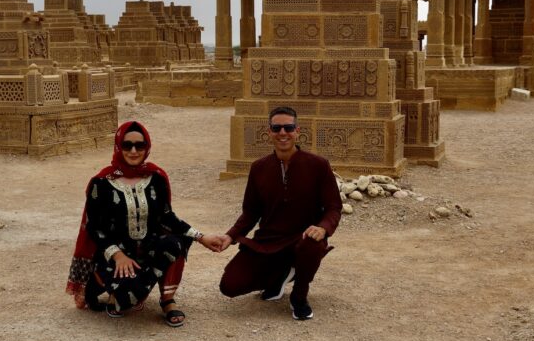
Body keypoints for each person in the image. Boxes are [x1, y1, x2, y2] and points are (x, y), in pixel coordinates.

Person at [66, 120, 224, 327]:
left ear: (147, 147)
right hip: (114, 253)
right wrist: (118, 255)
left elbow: (167, 218)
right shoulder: (102, 182)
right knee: (127, 294)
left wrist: (202, 237)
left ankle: (167, 300)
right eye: (127, 145)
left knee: (174, 243)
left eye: (139, 146)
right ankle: (106, 286)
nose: (133, 151)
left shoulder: (156, 178)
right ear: (118, 146)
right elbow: (94, 227)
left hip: (148, 249)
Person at [211, 105, 342, 320]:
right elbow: (250, 212)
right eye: (277, 128)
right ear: (269, 132)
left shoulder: (318, 165)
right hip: (268, 243)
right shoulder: (259, 168)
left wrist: (323, 228)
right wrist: (230, 235)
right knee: (230, 285)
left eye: (289, 127)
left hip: (302, 239)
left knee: (311, 243)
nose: (283, 133)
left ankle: (299, 296)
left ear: (297, 131)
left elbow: (333, 207)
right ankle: (279, 276)